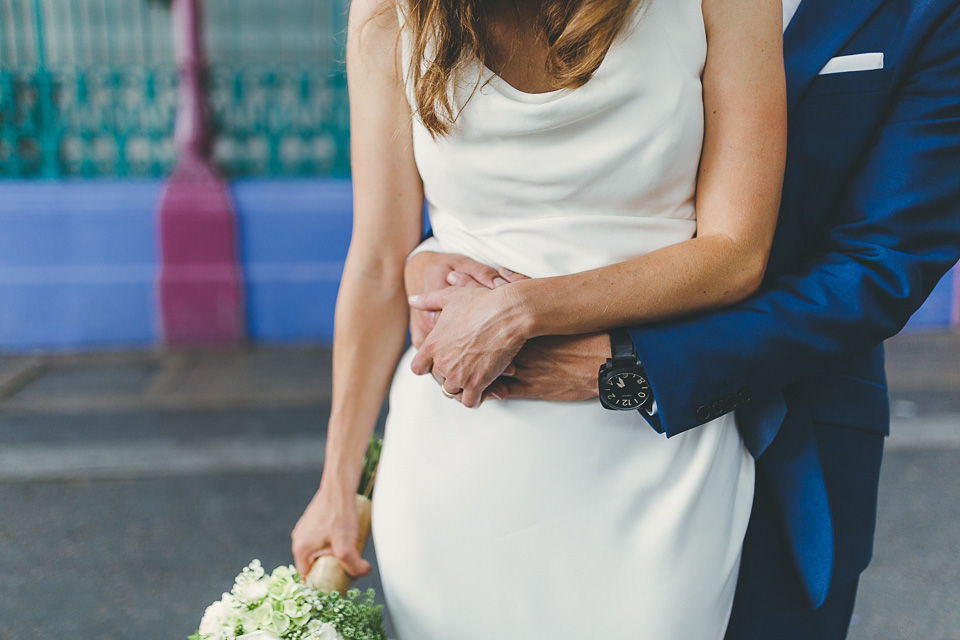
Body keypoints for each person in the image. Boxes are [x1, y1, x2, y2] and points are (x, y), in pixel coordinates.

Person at [403, 0, 960, 638]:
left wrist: (636, 367)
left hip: (791, 436)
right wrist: (429, 260)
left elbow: (879, 264)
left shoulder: (931, 12)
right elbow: (544, 156)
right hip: (510, 432)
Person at [292, 0, 788, 637]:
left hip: (653, 449)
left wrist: (520, 310)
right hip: (458, 453)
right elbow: (378, 262)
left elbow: (735, 255)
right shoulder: (392, 10)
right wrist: (336, 482)